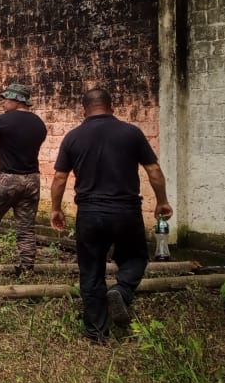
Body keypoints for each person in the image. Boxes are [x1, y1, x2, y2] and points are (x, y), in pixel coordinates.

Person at [49, 88, 172, 342]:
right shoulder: (131, 133)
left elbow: (60, 177)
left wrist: (56, 208)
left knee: (91, 269)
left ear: (84, 110)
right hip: (126, 211)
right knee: (135, 258)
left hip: (90, 213)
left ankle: (96, 331)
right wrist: (162, 201)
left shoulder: (73, 137)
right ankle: (122, 289)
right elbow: (153, 170)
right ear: (111, 107)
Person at [0, 82, 48, 285]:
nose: (2, 102)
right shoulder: (39, 124)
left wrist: (2, 153)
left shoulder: (2, 120)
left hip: (7, 179)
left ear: (18, 100)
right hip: (32, 180)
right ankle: (26, 271)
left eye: (6, 98)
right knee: (26, 229)